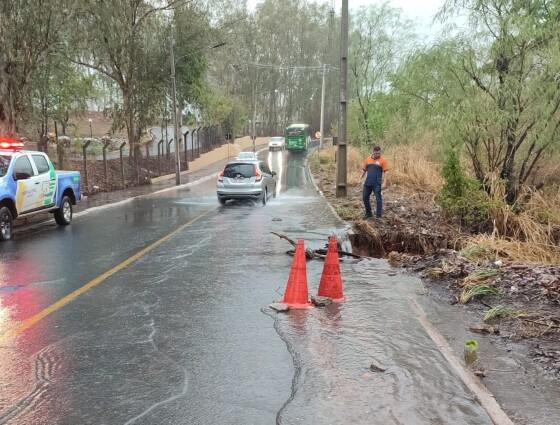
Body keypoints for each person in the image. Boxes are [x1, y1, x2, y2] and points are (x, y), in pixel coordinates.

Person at [361, 146, 389, 219]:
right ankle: (368, 213)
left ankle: (378, 216)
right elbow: (364, 170)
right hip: (368, 182)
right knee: (365, 197)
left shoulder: (383, 160)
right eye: (376, 153)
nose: (377, 154)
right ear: (373, 152)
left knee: (378, 198)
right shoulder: (368, 159)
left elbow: (386, 172)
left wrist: (384, 182)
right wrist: (359, 178)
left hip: (377, 183)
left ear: (380, 152)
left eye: (379, 153)